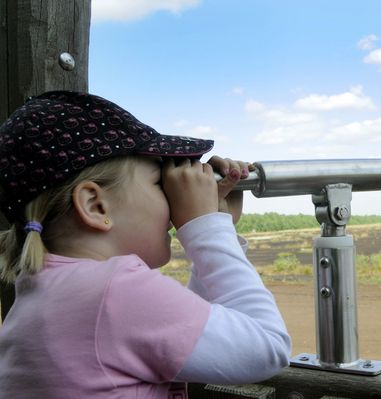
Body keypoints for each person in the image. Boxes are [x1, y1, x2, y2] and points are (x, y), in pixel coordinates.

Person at [0, 91, 291, 398]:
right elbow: (268, 347)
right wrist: (206, 229)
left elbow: (193, 332)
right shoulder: (111, 292)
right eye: (158, 182)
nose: (172, 197)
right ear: (96, 206)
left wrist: (219, 226)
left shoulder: (50, 289)